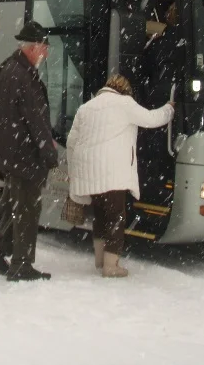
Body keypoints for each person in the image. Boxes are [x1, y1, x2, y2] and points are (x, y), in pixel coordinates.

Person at [66, 74, 174, 277]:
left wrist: (74, 171)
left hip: (90, 172)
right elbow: (152, 119)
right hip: (112, 173)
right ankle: (111, 266)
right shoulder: (125, 104)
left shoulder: (86, 107)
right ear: (124, 90)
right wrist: (169, 108)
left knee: (100, 216)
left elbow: (71, 142)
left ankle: (100, 260)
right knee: (116, 217)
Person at [0, 20, 59, 282]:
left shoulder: (10, 68)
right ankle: (21, 264)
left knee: (16, 207)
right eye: (44, 48)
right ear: (33, 48)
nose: (46, 53)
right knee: (26, 210)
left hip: (12, 151)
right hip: (23, 154)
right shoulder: (22, 75)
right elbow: (35, 119)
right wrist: (48, 151)